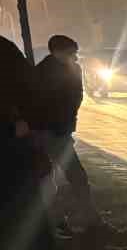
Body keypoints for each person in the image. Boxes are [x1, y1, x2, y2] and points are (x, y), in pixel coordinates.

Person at [0, 35, 58, 250]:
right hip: (12, 135)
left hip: (10, 134)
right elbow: (30, 89)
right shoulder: (6, 50)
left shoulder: (5, 51)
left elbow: (27, 89)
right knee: (21, 198)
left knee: (18, 197)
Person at [31, 34, 98, 233]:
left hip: (58, 130)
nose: (75, 57)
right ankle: (82, 219)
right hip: (51, 131)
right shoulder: (45, 73)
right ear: (58, 52)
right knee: (74, 177)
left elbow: (74, 99)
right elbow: (50, 104)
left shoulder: (66, 70)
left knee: (55, 178)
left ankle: (63, 221)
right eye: (71, 53)